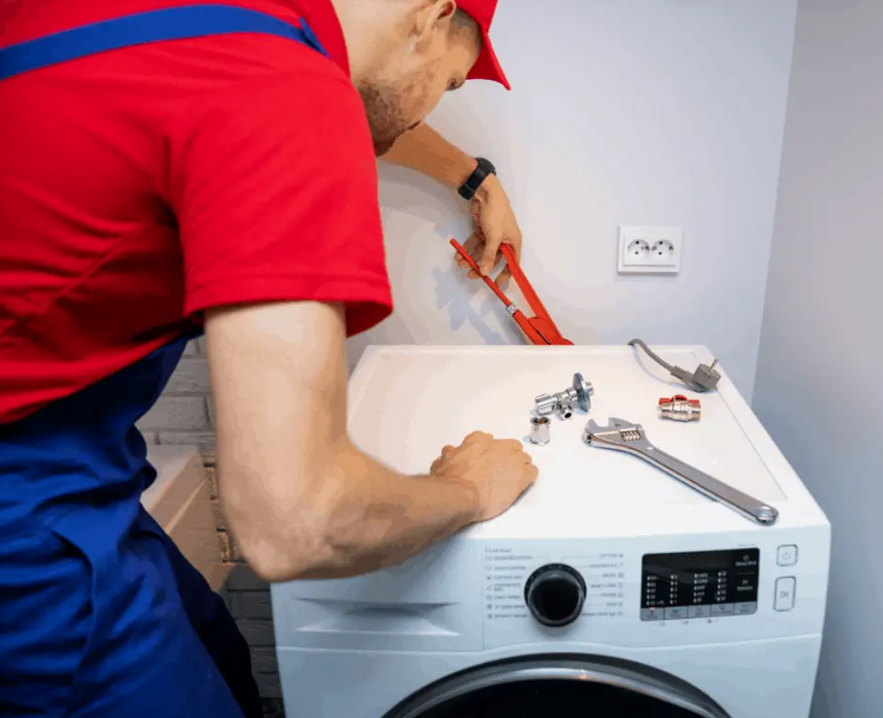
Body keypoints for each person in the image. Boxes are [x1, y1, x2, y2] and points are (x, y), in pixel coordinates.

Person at [0, 0, 538, 716]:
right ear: (432, 17)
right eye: (450, 83)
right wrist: (469, 489)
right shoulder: (288, 91)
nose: (434, 106)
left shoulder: (214, 31)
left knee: (222, 658)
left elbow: (365, 104)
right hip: (24, 505)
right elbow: (299, 522)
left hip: (72, 461)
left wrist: (472, 176)